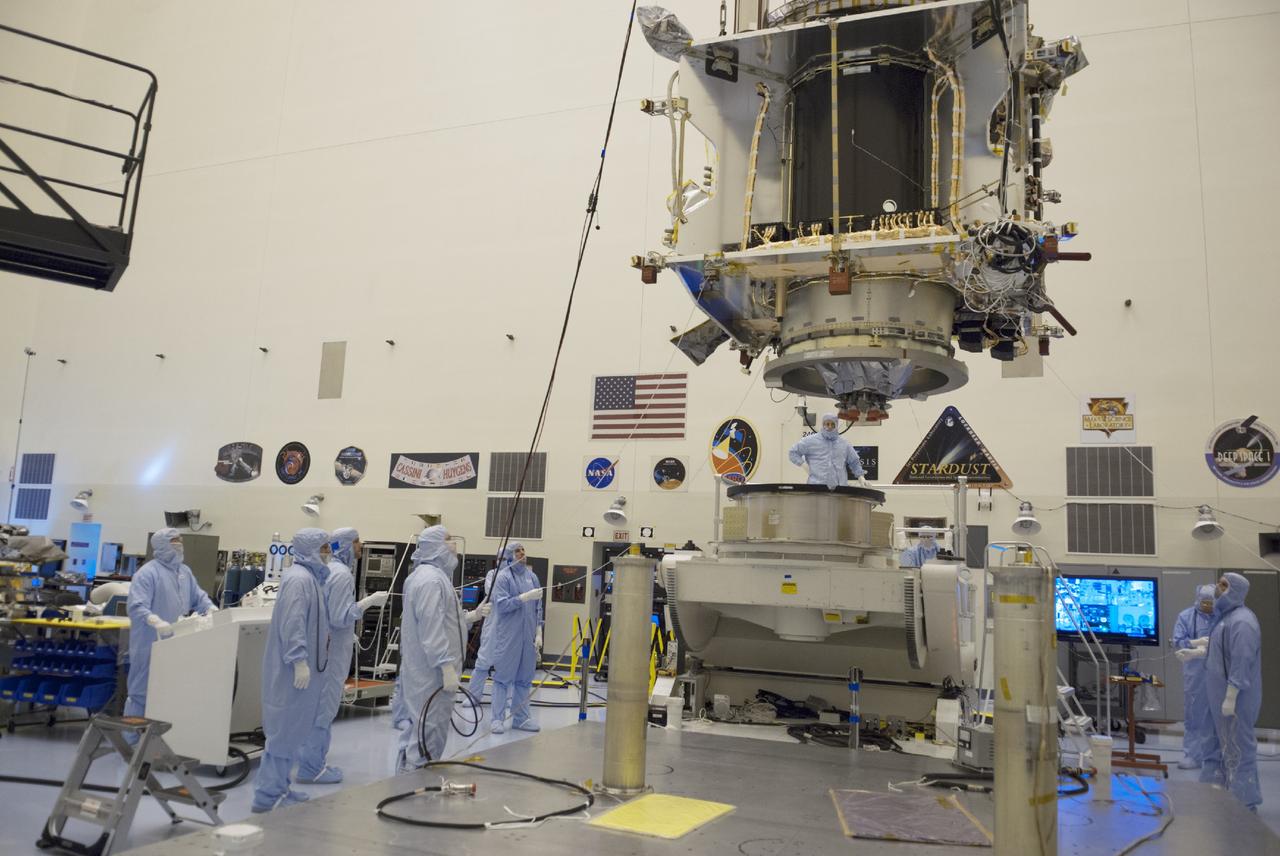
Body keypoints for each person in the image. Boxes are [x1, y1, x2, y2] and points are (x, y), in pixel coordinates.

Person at [295, 528, 388, 785]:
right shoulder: (342, 575)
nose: (361, 545)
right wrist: (368, 602)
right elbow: (339, 616)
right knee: (324, 708)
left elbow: (327, 612)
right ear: (345, 545)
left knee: (314, 706)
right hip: (331, 653)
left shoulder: (328, 571)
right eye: (357, 541)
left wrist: (349, 634)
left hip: (326, 646)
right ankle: (312, 769)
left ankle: (307, 760)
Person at [392, 526, 488, 771]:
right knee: (427, 728)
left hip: (427, 671)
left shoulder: (432, 578)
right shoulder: (431, 581)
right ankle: (414, 784)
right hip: (431, 674)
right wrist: (445, 665)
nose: (453, 545)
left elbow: (445, 621)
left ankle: (412, 776)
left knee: (422, 727)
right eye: (448, 540)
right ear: (435, 546)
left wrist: (473, 616)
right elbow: (431, 630)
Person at [252, 528, 333, 812]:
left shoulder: (311, 579)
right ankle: (266, 797)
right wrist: (299, 660)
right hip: (290, 672)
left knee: (292, 732)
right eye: (324, 547)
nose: (328, 552)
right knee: (283, 734)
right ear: (310, 548)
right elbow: (293, 623)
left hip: (303, 673)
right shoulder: (299, 580)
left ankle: (280, 788)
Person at [125, 529, 215, 720]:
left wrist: (212, 610)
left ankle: (159, 741)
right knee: (142, 692)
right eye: (174, 541)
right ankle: (132, 742)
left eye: (180, 540)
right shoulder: (147, 573)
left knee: (169, 692)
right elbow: (136, 606)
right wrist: (155, 621)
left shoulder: (184, 571)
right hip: (149, 643)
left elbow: (199, 597)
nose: (179, 544)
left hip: (177, 644)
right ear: (162, 545)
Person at [1197, 572, 1263, 810]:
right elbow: (1220, 654)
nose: (1217, 588)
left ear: (1235, 590)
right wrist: (1197, 651)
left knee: (1238, 749)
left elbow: (1241, 660)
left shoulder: (1242, 622)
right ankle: (1217, 798)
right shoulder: (1224, 618)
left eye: (1224, 585)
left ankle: (1244, 805)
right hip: (1219, 695)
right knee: (1217, 745)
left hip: (1236, 699)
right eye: (1219, 583)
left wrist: (1232, 695)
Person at [489, 542, 544, 734]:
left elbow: (538, 608)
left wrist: (538, 632)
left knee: (524, 679)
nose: (522, 553)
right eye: (517, 551)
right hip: (509, 637)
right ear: (508, 557)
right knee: (503, 678)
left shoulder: (532, 577)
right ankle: (497, 719)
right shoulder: (502, 578)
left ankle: (520, 718)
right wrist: (523, 598)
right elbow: (502, 606)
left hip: (527, 637)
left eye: (523, 550)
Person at [1172, 585, 1217, 769]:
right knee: (1194, 715)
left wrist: (1205, 651)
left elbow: (1230, 644)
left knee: (1217, 716)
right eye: (1204, 602)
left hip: (1218, 675)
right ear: (1197, 599)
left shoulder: (1224, 616)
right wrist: (1195, 644)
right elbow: (1177, 642)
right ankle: (1192, 755)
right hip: (1195, 675)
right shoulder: (1186, 616)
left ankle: (1216, 757)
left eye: (1211, 603)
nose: (1207, 606)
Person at [788, 413, 866, 489]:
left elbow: (854, 461)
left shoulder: (844, 443)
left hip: (839, 489)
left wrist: (860, 477)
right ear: (823, 424)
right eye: (827, 424)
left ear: (836, 425)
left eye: (832, 424)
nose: (829, 427)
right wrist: (803, 465)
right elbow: (793, 452)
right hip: (816, 488)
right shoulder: (810, 441)